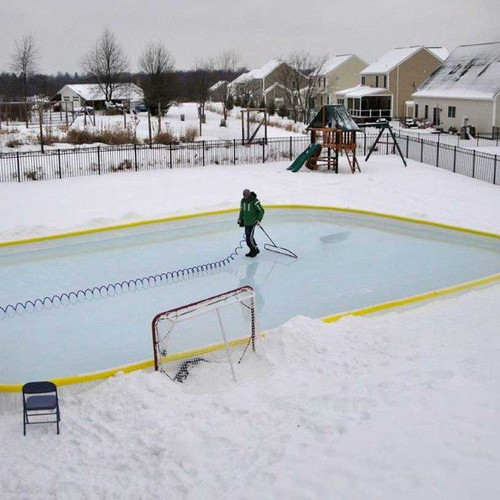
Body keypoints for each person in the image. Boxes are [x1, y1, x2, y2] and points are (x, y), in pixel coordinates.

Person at [238, 189, 265, 257]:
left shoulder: (255, 201)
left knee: (249, 238)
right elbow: (242, 211)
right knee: (248, 239)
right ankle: (252, 250)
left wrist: (259, 219)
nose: (245, 197)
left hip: (253, 222)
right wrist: (240, 219)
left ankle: (255, 250)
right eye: (244, 195)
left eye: (246, 196)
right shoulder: (242, 201)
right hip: (246, 222)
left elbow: (261, 210)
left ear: (249, 195)